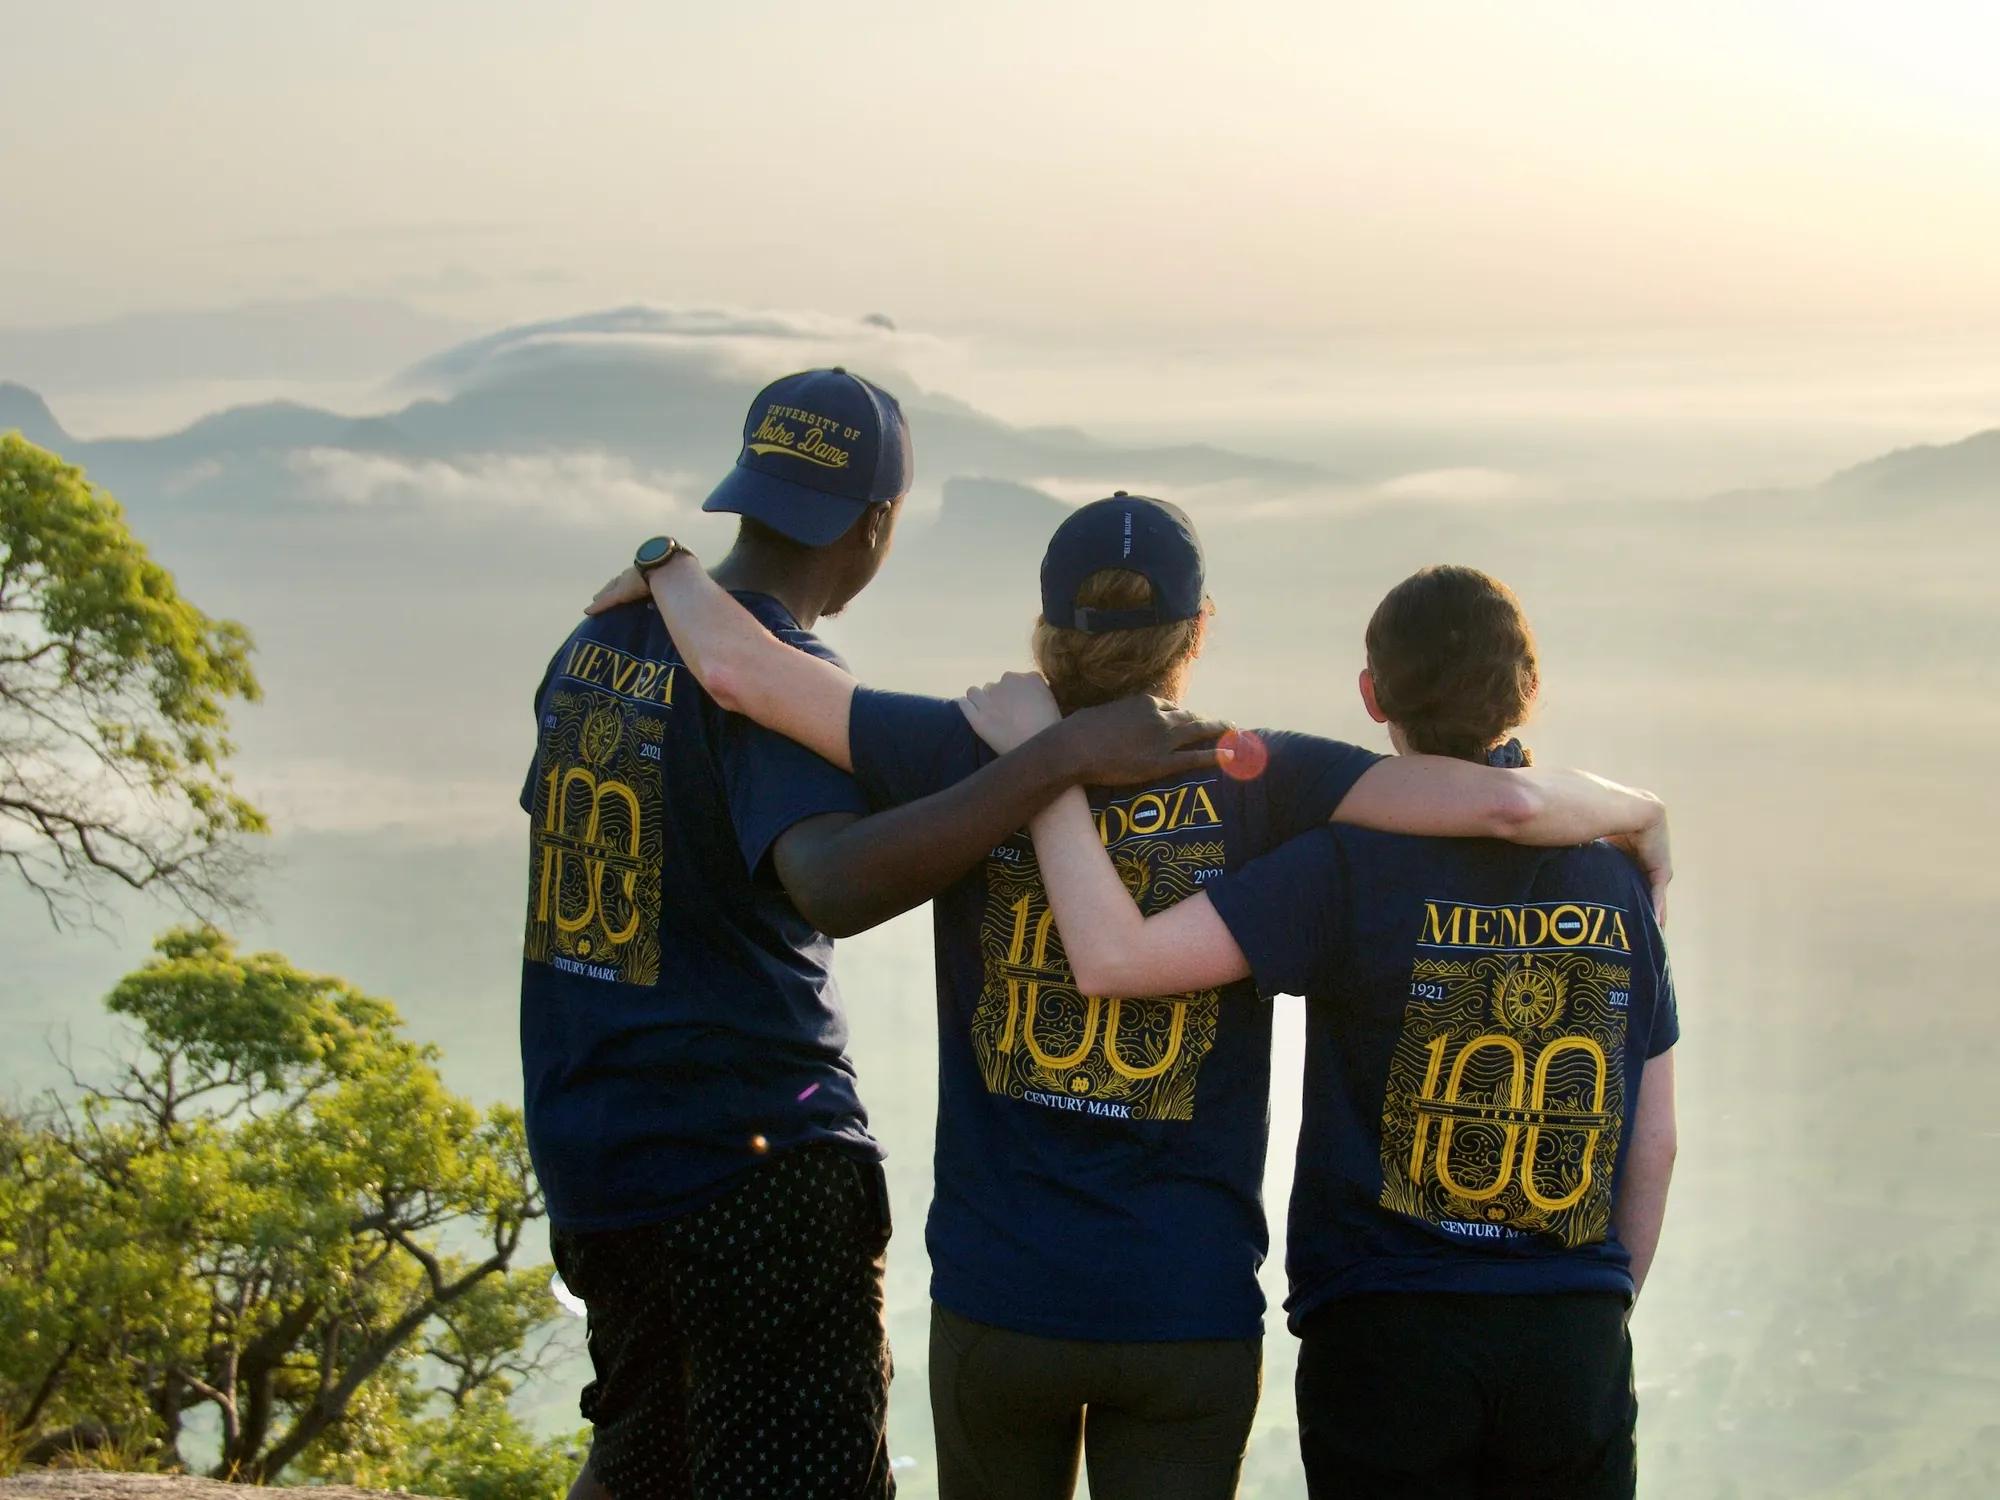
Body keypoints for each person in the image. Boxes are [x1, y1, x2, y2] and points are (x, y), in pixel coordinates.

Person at [587, 499, 1670, 1500]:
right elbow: (1502, 805)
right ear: (1196, 630)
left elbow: (742, 673)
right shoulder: (1264, 775)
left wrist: (668, 568)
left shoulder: (959, 749)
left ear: (1045, 630)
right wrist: (1639, 816)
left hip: (997, 1297)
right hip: (1183, 1309)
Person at [524, 375, 1230, 1500]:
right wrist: (1047, 761)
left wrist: (662, 560)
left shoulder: (597, 639)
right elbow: (829, 882)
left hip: (592, 1149)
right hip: (748, 1161)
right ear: (875, 524)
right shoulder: (777, 684)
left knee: (641, 1460)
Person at [964, 564, 1678, 1500]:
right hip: (1570, 1338)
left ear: (1372, 695)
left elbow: (1118, 962)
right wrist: (1600, 1304)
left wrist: (1045, 772)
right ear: (1528, 692)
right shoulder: (1617, 880)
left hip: (1385, 1335)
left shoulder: (1344, 866)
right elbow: (1655, 1144)